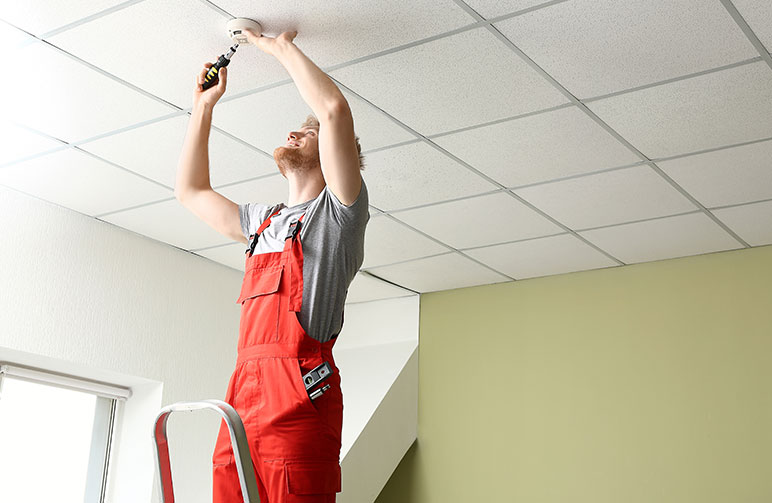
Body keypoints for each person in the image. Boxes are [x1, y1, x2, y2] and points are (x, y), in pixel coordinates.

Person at [174, 28, 369, 503]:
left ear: (332, 156)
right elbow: (191, 193)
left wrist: (276, 47)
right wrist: (203, 107)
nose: (297, 131)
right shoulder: (262, 223)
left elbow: (334, 110)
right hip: (241, 400)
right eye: (299, 127)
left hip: (300, 404)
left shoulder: (338, 215)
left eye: (310, 132)